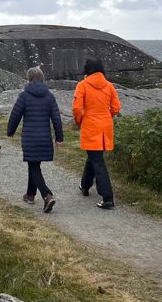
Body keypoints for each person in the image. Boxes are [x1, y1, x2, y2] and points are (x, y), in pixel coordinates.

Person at [7, 66, 63, 213]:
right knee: (34, 164)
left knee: (33, 166)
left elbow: (15, 115)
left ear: (29, 79)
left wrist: (10, 131)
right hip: (45, 138)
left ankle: (46, 195)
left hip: (30, 138)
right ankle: (30, 195)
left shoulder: (24, 96)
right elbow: (56, 119)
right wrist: (59, 138)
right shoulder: (50, 96)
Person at [73, 58, 121, 210]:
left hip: (91, 126)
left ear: (87, 70)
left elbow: (76, 108)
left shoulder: (83, 85)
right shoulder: (109, 85)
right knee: (94, 157)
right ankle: (85, 186)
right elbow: (116, 107)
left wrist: (80, 120)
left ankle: (107, 197)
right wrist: (107, 117)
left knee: (97, 161)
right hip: (105, 126)